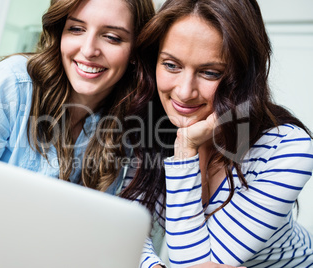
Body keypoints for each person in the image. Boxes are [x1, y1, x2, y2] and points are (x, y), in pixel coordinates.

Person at [121, 0, 313, 267]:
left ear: (244, 76)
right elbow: (126, 234)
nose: (185, 92)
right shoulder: (149, 126)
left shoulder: (287, 148)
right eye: (171, 65)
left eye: (210, 73)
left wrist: (185, 149)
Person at [0, 0, 154, 195]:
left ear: (136, 51)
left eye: (112, 37)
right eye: (76, 29)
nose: (88, 50)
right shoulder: (12, 84)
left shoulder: (131, 119)